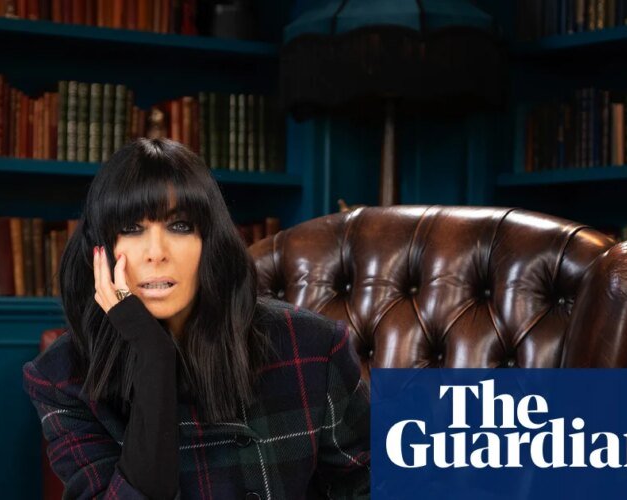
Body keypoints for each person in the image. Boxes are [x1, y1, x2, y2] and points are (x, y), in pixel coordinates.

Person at [22, 138, 369, 499]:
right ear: (101, 251)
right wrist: (153, 355)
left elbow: (380, 486)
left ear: (210, 242)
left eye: (180, 226)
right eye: (132, 228)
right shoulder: (62, 379)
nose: (156, 253)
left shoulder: (312, 345)